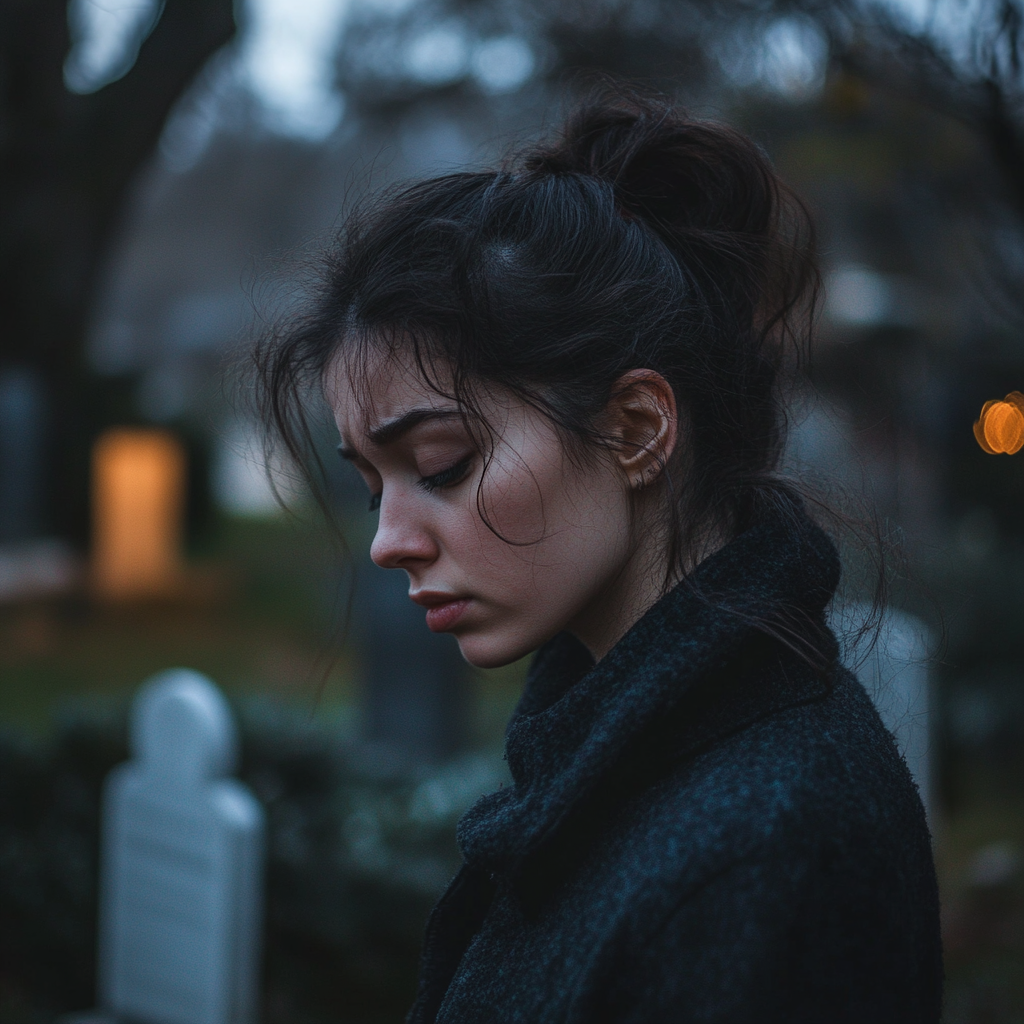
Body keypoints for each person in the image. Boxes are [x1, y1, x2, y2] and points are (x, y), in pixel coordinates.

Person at [255, 87, 943, 1023]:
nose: (388, 541)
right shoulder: (636, 766)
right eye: (376, 488)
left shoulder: (766, 854)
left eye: (443, 466)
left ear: (634, 429)